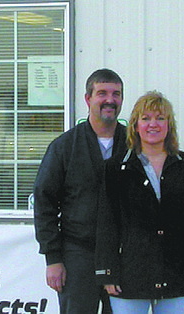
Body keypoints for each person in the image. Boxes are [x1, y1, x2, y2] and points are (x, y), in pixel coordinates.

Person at [95, 91, 184, 314]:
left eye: (160, 118)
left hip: (175, 272)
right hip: (130, 274)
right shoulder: (115, 168)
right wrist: (107, 271)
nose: (153, 124)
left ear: (169, 125)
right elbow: (107, 223)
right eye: (146, 118)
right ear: (135, 125)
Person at [33, 68, 129, 314]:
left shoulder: (133, 146)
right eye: (102, 93)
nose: (110, 100)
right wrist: (53, 259)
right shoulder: (64, 147)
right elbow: (44, 204)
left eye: (116, 94)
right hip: (77, 256)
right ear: (88, 99)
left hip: (123, 257)